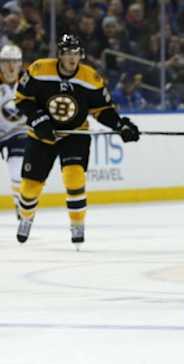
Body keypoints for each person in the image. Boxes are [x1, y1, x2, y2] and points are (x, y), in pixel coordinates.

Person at [15, 34, 140, 246]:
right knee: (30, 187)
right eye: (67, 53)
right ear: (59, 55)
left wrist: (120, 125)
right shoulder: (39, 69)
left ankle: (77, 224)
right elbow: (22, 100)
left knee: (74, 178)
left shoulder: (90, 78)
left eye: (75, 53)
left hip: (75, 134)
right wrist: (39, 120)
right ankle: (26, 218)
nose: (72, 58)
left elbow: (102, 110)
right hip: (41, 136)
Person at [0, 44, 27, 219]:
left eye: (14, 62)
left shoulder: (30, 82)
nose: (10, 66)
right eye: (6, 62)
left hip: (19, 131)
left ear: (20, 63)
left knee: (17, 168)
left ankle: (19, 202)